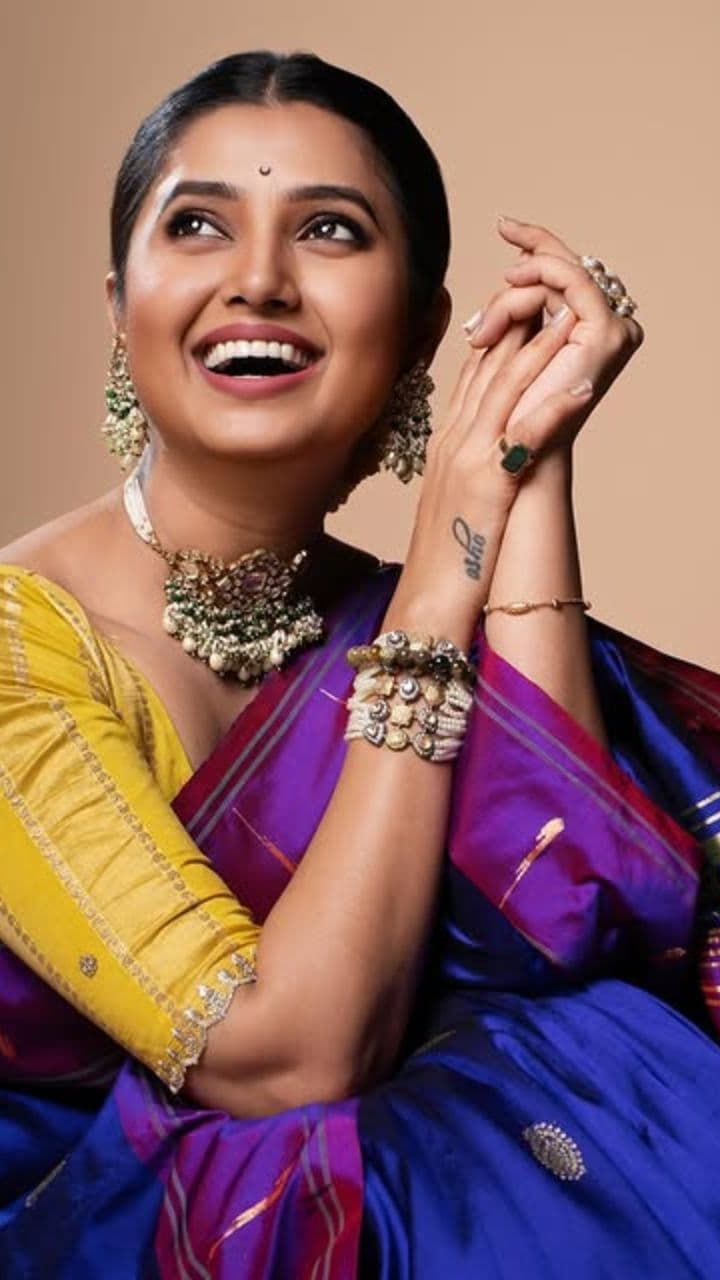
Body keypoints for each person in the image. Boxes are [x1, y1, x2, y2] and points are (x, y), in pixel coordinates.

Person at [0, 47, 718, 1280]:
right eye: (198, 224)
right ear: (119, 304)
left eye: (328, 228)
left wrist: (526, 446)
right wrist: (441, 574)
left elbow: (558, 915)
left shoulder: (391, 599)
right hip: (99, 1233)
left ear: (427, 328)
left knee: (584, 1046)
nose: (258, 280)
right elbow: (282, 1060)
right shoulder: (24, 647)